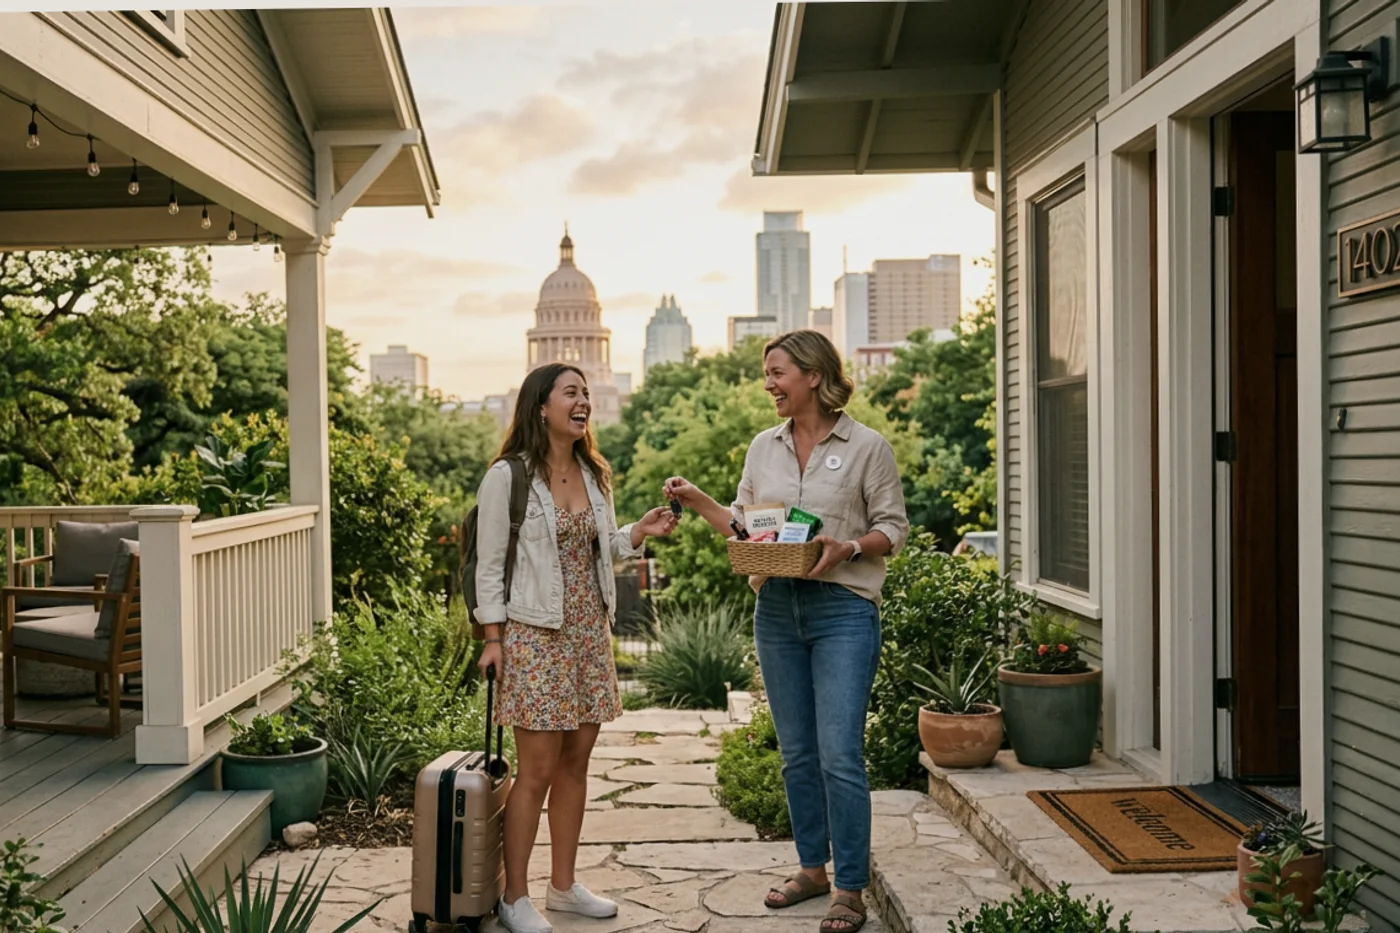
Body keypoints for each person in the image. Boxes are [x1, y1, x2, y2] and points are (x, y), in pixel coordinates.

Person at [664, 330, 909, 933]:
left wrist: (848, 544)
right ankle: (811, 870)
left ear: (814, 377)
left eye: (777, 373)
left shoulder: (867, 447)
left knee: (840, 755)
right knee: (797, 754)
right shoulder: (762, 448)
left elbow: (892, 529)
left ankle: (850, 887)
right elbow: (749, 529)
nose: (768, 384)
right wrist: (698, 502)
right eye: (767, 373)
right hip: (776, 607)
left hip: (843, 610)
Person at [475, 362, 677, 933]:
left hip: (589, 631)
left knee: (575, 766)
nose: (583, 400)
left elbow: (600, 546)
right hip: (535, 635)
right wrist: (493, 639)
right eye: (571, 392)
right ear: (542, 406)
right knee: (535, 771)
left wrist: (637, 533)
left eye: (586, 392)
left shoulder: (594, 473)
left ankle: (562, 887)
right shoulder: (508, 478)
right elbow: (490, 568)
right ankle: (515, 898)